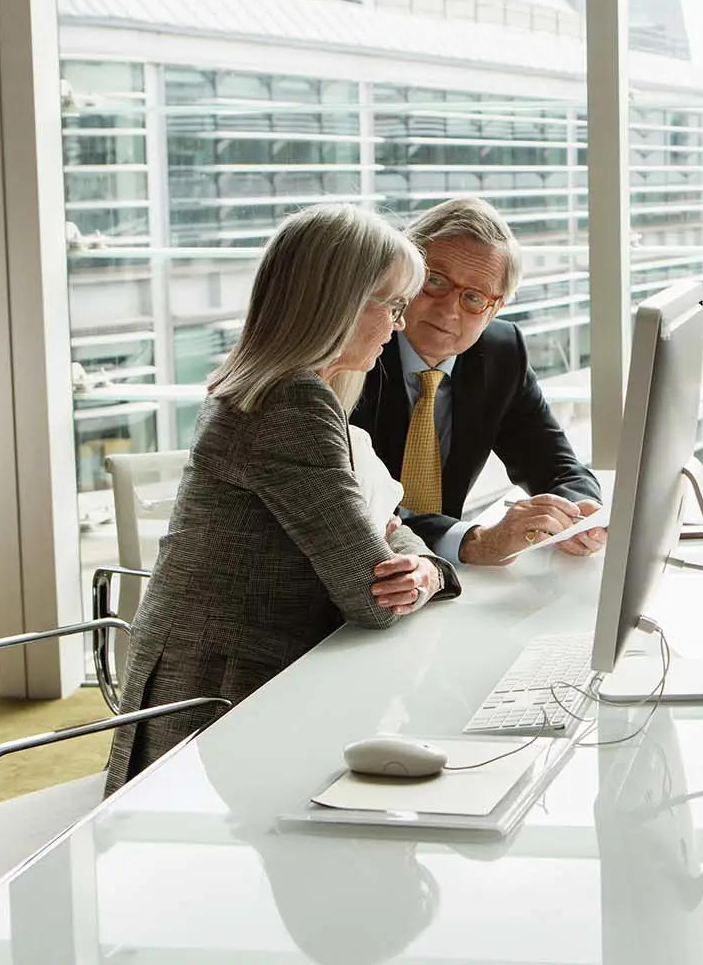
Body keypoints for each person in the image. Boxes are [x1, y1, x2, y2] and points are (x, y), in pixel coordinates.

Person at [105, 204, 458, 793]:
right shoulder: (289, 401)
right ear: (337, 302)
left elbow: (386, 523)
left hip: (234, 683)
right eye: (392, 306)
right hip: (220, 708)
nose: (399, 326)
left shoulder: (296, 385)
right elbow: (370, 597)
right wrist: (420, 573)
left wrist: (423, 568)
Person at [352, 197, 603, 566]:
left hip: (439, 581)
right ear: (404, 277)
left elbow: (556, 466)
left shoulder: (502, 352)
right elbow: (358, 509)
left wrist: (580, 514)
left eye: (473, 297)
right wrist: (475, 540)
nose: (449, 310)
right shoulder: (357, 349)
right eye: (434, 281)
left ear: (495, 308)